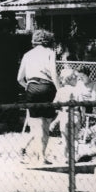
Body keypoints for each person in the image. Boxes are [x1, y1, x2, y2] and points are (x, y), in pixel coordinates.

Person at [17, 28, 60, 165]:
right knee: (46, 124)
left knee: (35, 124)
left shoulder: (27, 54)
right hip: (46, 86)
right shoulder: (50, 53)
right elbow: (53, 73)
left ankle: (36, 154)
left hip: (31, 87)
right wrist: (59, 91)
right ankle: (42, 156)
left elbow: (19, 78)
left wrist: (28, 88)